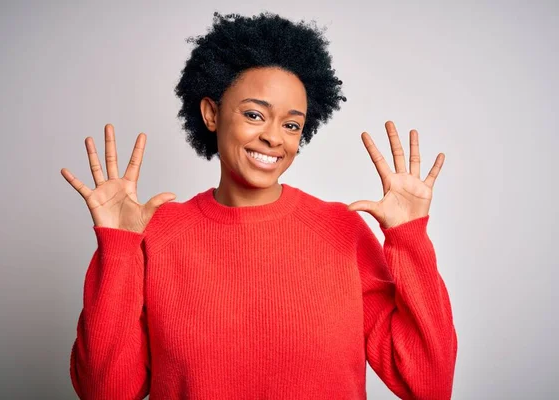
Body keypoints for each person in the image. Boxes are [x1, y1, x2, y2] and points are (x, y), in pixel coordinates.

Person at [61, 12, 457, 400]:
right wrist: (117, 247)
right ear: (212, 113)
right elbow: (105, 391)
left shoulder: (341, 230)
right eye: (254, 115)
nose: (273, 138)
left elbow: (427, 384)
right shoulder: (158, 234)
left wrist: (410, 239)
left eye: (291, 125)